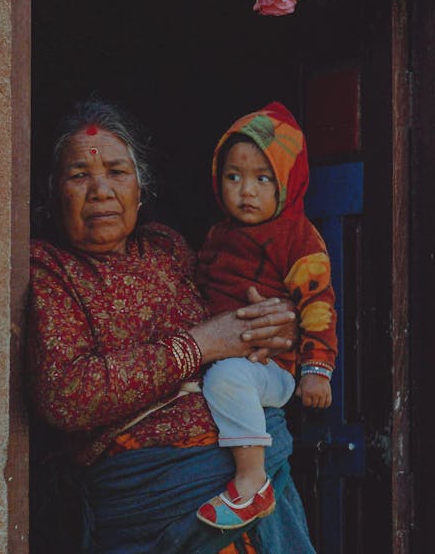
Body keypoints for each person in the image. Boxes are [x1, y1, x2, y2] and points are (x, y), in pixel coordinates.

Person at [26, 96, 316, 553]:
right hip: (153, 496)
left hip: (250, 476)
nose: (100, 190)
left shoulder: (167, 248)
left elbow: (236, 314)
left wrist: (277, 325)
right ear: (52, 190)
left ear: (141, 189)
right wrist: (200, 346)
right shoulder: (48, 268)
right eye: (79, 175)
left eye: (117, 172)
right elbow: (67, 396)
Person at [195, 102, 337, 530]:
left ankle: (252, 483)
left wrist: (317, 370)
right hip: (226, 360)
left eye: (263, 179)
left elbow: (318, 304)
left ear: (287, 183)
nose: (246, 192)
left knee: (226, 380)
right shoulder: (219, 235)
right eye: (234, 177)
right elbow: (199, 289)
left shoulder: (298, 236)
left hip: (270, 368)